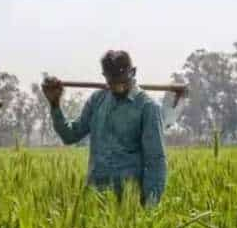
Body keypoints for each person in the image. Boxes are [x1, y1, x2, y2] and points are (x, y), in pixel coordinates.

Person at [41, 50, 167, 206]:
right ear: (105, 77)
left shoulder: (147, 107)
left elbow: (155, 161)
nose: (118, 88)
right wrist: (54, 104)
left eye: (122, 81)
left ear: (133, 72)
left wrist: (150, 207)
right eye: (112, 82)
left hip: (128, 202)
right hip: (95, 197)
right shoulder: (97, 101)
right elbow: (70, 135)